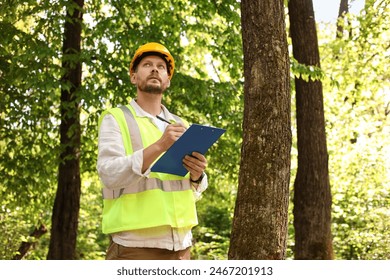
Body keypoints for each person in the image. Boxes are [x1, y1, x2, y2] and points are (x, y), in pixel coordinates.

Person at [97, 42, 208, 260]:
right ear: (134, 77)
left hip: (182, 248)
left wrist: (198, 176)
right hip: (135, 247)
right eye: (147, 65)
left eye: (161, 67)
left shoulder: (181, 124)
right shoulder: (116, 118)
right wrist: (160, 145)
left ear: (168, 80)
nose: (155, 69)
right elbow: (109, 174)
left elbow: (190, 190)